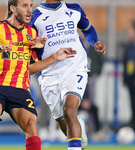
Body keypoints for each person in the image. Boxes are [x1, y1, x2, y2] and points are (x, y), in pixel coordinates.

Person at [0, 0, 76, 149]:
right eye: (24, 6)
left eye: (31, 5)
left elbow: (30, 68)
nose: (30, 10)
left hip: (20, 88)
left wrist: (55, 57)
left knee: (31, 125)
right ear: (13, 8)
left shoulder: (31, 34)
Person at [29, 0, 106, 150]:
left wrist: (95, 42)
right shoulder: (34, 16)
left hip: (75, 67)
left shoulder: (74, 8)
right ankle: (79, 130)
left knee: (69, 110)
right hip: (49, 73)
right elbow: (31, 48)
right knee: (64, 123)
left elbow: (87, 29)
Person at [122, 19, 135, 130]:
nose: (129, 33)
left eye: (131, 30)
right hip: (131, 81)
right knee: (132, 102)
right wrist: (125, 79)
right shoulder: (129, 47)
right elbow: (126, 64)